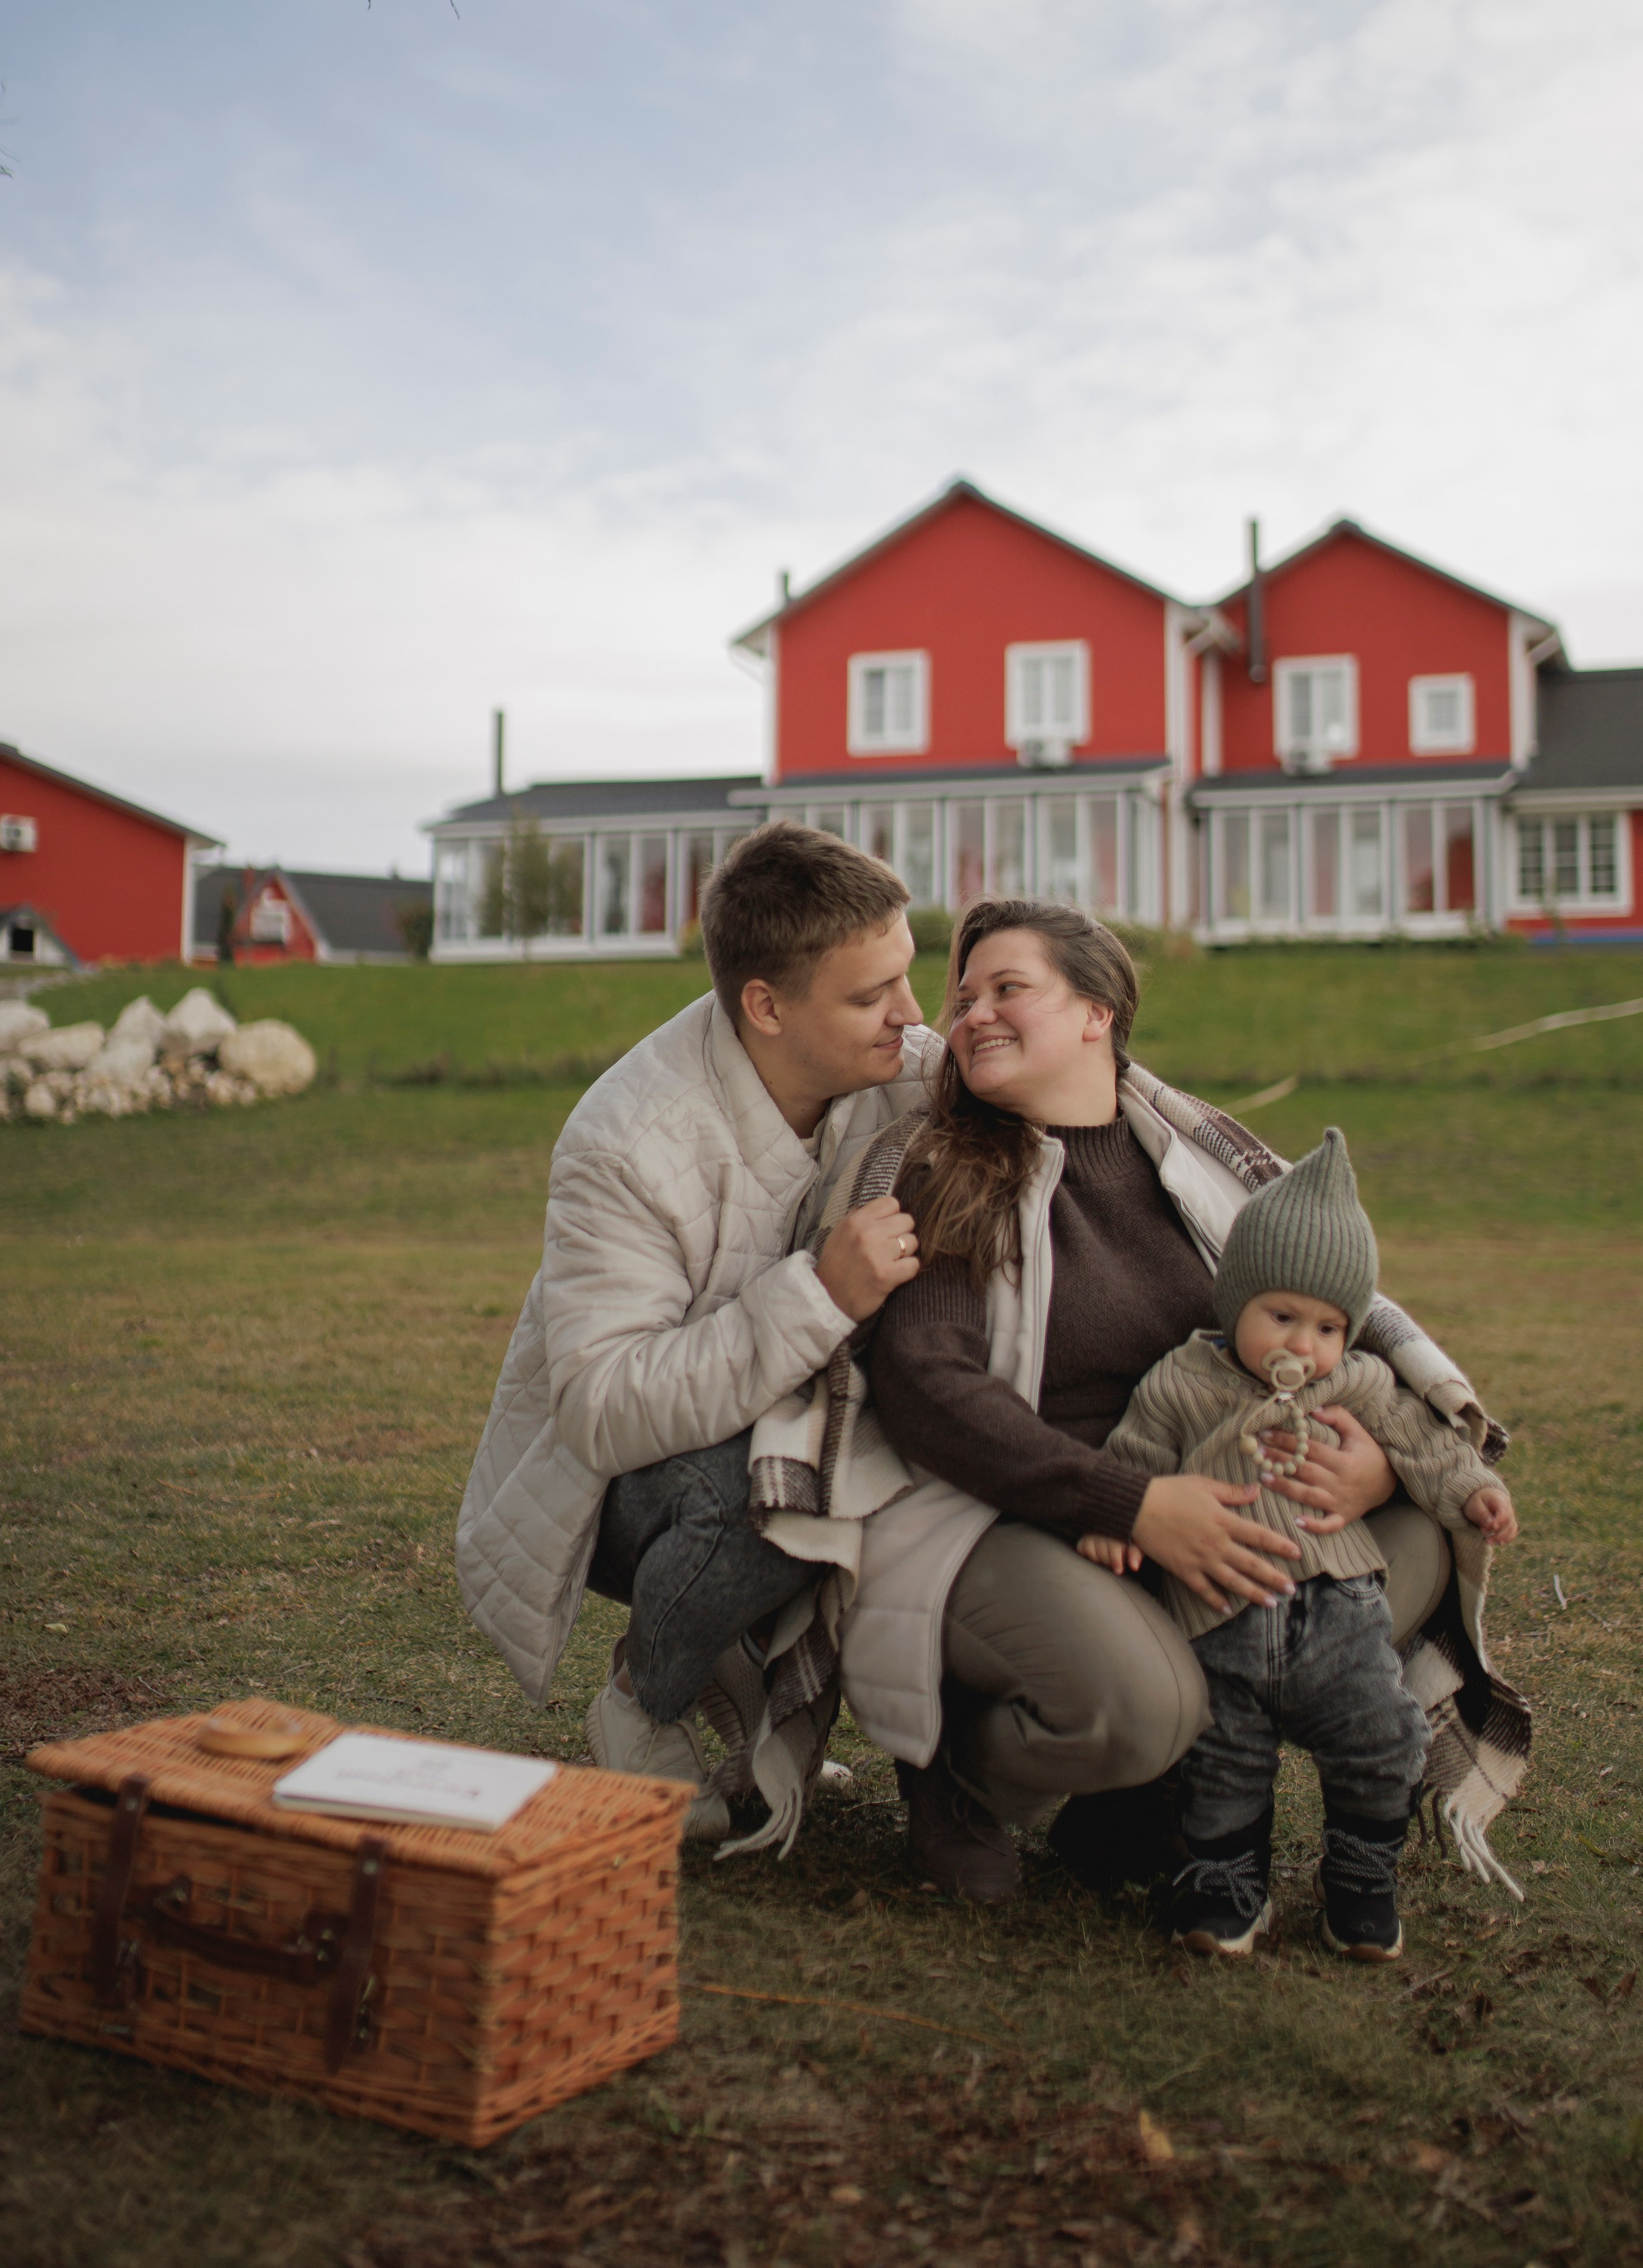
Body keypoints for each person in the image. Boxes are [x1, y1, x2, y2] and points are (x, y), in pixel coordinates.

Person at [856, 898, 1491, 1901]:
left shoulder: (1202, 1167)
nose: (971, 1013)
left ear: (1098, 1011)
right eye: (963, 996)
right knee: (1149, 1707)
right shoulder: (951, 1172)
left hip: (1203, 1501)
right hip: (1019, 1511)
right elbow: (927, 1392)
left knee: (1420, 1531)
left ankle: (1141, 1801)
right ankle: (967, 1776)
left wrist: (1371, 1469)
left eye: (1007, 989)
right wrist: (1130, 1503)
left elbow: (1329, 1322)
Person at [457, 822, 933, 1840]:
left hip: (766, 1421)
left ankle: (766, 1688)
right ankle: (645, 1695)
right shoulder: (626, 1140)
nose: (913, 1015)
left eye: (906, 976)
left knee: (854, 1445)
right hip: (618, 1489)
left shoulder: (900, 1068)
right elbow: (602, 1411)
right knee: (762, 1487)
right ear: (766, 1006)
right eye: (871, 997)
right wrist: (821, 1296)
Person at [1094, 1125, 1518, 1962]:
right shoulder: (1182, 1381)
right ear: (1234, 1301)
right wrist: (1115, 1518)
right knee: (1222, 1754)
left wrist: (1475, 1490)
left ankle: (1360, 1871)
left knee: (1380, 1734)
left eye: (1327, 1327)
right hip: (1218, 1610)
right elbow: (1134, 1459)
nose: (1302, 1345)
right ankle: (1228, 1881)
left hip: (1340, 1609)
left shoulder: (1356, 1381)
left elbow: (1422, 1442)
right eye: (1281, 1316)